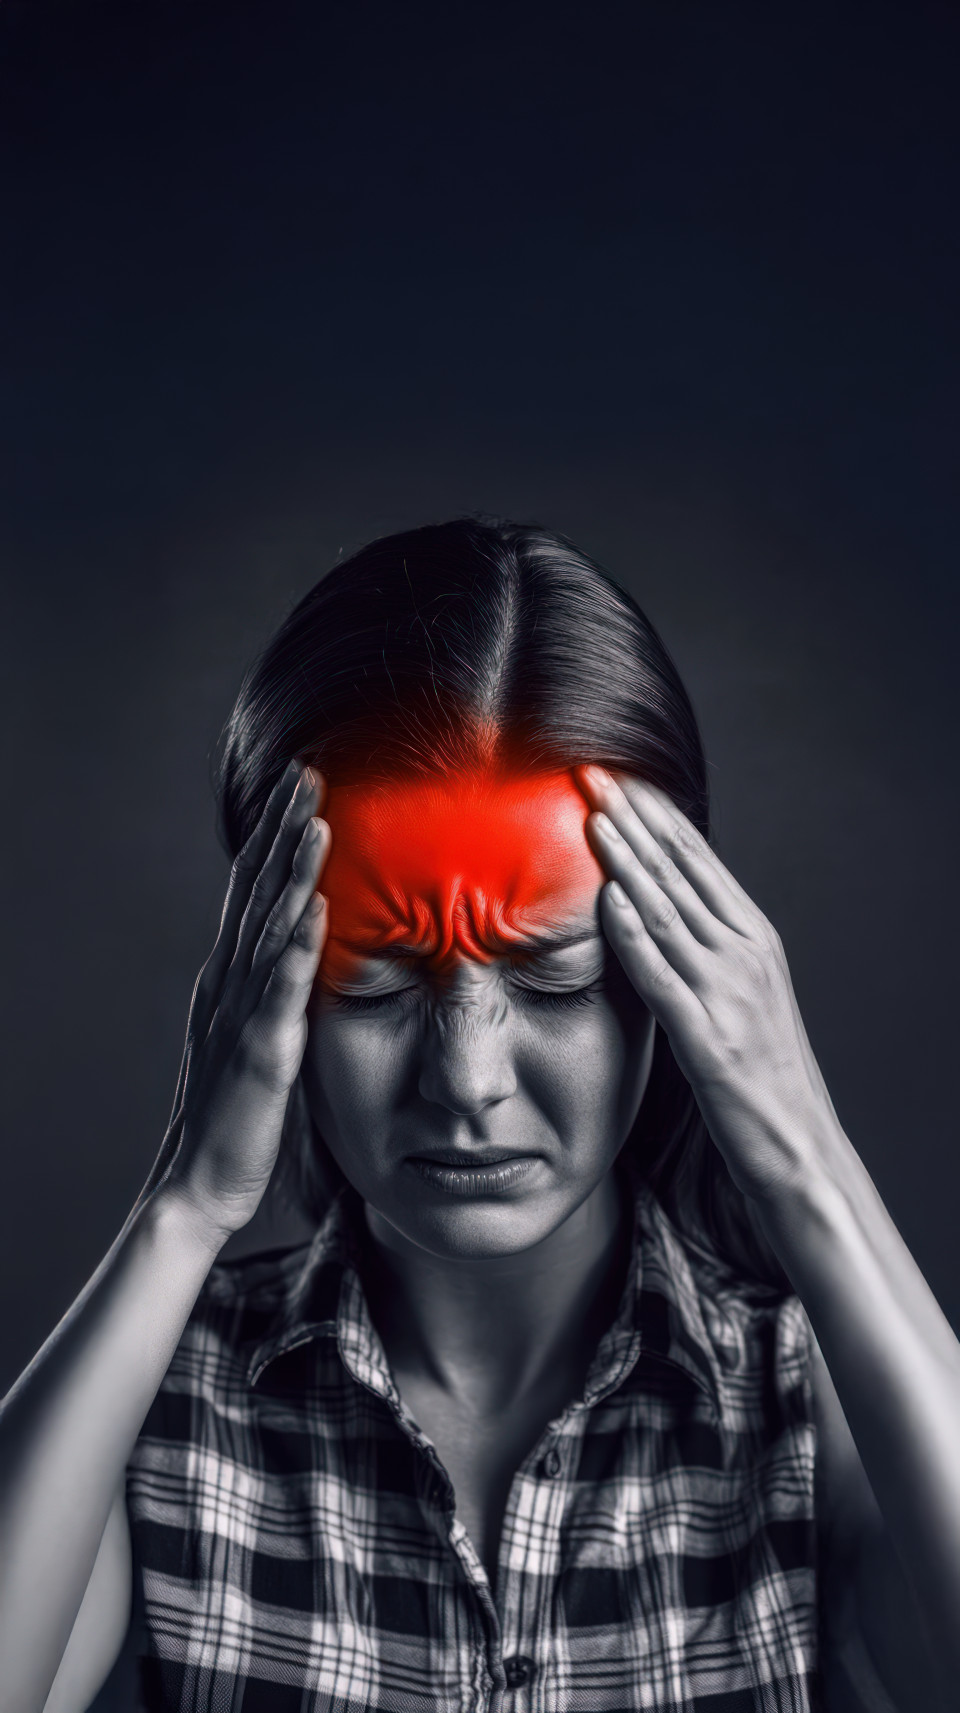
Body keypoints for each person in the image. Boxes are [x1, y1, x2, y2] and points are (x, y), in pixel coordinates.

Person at [1, 518, 957, 1713]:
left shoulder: (814, 1404)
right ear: (261, 986)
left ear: (675, 980)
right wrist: (184, 1205)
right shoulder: (163, 1404)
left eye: (556, 978)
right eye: (377, 984)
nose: (467, 1079)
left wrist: (803, 1153)